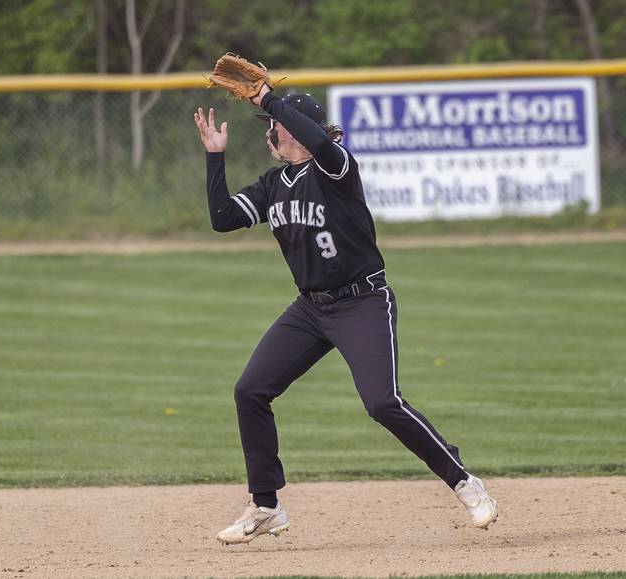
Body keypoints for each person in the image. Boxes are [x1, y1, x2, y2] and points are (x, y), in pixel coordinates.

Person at [193, 84, 498, 545]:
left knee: (382, 402)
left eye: (273, 126)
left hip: (363, 301)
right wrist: (215, 157)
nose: (269, 133)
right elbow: (222, 218)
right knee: (251, 390)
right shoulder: (272, 185)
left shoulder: (335, 167)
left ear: (293, 129)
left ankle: (464, 482)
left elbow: (319, 142)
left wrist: (270, 99)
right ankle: (266, 505)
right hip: (310, 309)